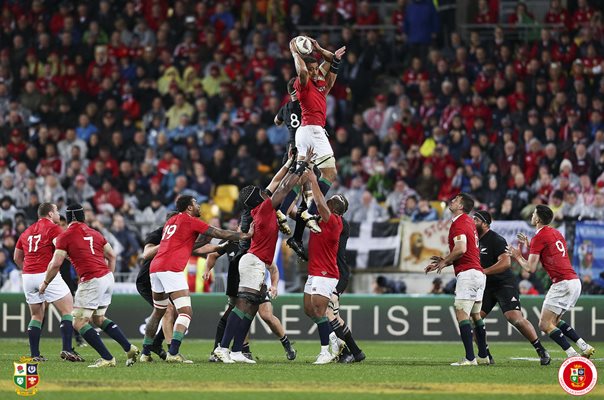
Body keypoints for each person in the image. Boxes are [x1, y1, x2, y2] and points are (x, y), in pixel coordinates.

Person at [213, 152, 306, 363]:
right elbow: (282, 188)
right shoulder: (264, 208)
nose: (265, 193)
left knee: (251, 308)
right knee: (242, 306)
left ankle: (236, 350)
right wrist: (300, 167)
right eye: (260, 193)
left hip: (256, 262)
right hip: (252, 262)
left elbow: (276, 185)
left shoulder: (258, 210)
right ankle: (223, 348)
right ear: (258, 198)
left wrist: (291, 164)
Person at [141, 195, 253, 363]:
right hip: (171, 269)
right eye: (196, 203)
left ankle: (145, 353)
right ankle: (173, 353)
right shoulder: (189, 221)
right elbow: (218, 232)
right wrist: (244, 235)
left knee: (158, 311)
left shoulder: (171, 222)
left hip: (155, 268)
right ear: (189, 208)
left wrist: (218, 246)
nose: (199, 206)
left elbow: (190, 247)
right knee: (186, 312)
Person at [39, 203, 138, 368]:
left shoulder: (65, 236)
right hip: (106, 277)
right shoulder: (96, 233)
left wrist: (45, 283)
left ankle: (107, 358)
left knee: (78, 322)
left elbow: (56, 263)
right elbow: (112, 255)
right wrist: (108, 276)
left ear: (68, 218)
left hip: (91, 280)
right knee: (98, 318)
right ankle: (129, 348)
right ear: (83, 216)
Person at [283, 36, 346, 259]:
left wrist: (320, 49)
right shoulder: (304, 84)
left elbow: (333, 65)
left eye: (316, 68)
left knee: (303, 178)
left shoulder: (322, 86)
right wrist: (295, 53)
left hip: (307, 132)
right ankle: (310, 213)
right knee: (330, 172)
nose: (314, 71)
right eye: (311, 68)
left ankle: (284, 212)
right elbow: (302, 71)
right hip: (312, 130)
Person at [507, 205, 596, 359]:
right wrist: (530, 244)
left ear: (538, 219)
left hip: (562, 283)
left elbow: (530, 268)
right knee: (555, 320)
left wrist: (517, 255)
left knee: (544, 324)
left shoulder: (539, 237)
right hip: (574, 281)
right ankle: (584, 346)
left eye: (534, 213)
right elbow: (550, 251)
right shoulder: (556, 232)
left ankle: (572, 355)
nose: (532, 215)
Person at [473, 210, 551, 366]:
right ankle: (486, 355)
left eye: (476, 219)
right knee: (474, 319)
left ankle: (541, 350)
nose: (472, 222)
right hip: (486, 286)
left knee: (514, 318)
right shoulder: (475, 241)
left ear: (485, 223)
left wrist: (483, 272)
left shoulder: (496, 239)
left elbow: (506, 263)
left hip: (504, 284)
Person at [425, 193, 489, 366]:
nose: (451, 201)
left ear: (461, 206)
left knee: (462, 314)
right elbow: (464, 252)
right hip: (478, 273)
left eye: (455, 200)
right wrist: (443, 263)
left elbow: (461, 248)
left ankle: (470, 358)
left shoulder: (459, 223)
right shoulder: (469, 221)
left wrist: (445, 261)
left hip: (468, 274)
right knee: (476, 315)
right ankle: (483, 356)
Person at [14, 202, 83, 362]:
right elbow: (62, 249)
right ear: (50, 214)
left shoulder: (26, 231)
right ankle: (67, 349)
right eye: (57, 211)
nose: (59, 214)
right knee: (68, 310)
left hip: (27, 276)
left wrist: (28, 268)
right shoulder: (53, 229)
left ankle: (35, 355)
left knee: (36, 315)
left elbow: (17, 257)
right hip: (45, 273)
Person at [304, 167, 349, 364]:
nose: (327, 201)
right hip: (315, 271)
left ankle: (326, 351)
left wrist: (314, 180)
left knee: (319, 310)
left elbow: (319, 201)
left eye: (331, 201)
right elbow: (311, 201)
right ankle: (334, 340)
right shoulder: (323, 218)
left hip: (326, 273)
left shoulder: (334, 222)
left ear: (334, 207)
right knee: (309, 309)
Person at [327, 211, 365, 364]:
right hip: (337, 274)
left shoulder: (339, 225)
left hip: (337, 275)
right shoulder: (341, 224)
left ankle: (346, 353)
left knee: (328, 312)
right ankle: (355, 351)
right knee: (335, 316)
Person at [274, 77, 302, 235]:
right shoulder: (306, 104)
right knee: (299, 185)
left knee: (285, 185)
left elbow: (276, 121)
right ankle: (284, 213)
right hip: (303, 148)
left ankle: (289, 214)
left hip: (290, 148)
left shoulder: (285, 107)